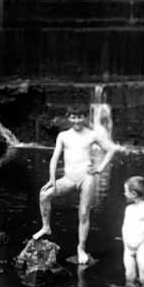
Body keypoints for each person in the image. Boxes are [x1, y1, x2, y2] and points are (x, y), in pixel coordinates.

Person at [32, 107, 119, 264]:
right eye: (73, 117)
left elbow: (111, 149)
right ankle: (46, 227)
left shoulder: (92, 134)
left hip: (87, 177)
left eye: (80, 117)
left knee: (84, 212)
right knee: (44, 195)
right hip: (69, 178)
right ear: (69, 118)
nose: (77, 120)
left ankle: (81, 248)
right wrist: (52, 179)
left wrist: (99, 168)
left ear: (85, 117)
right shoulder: (63, 136)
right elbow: (54, 158)